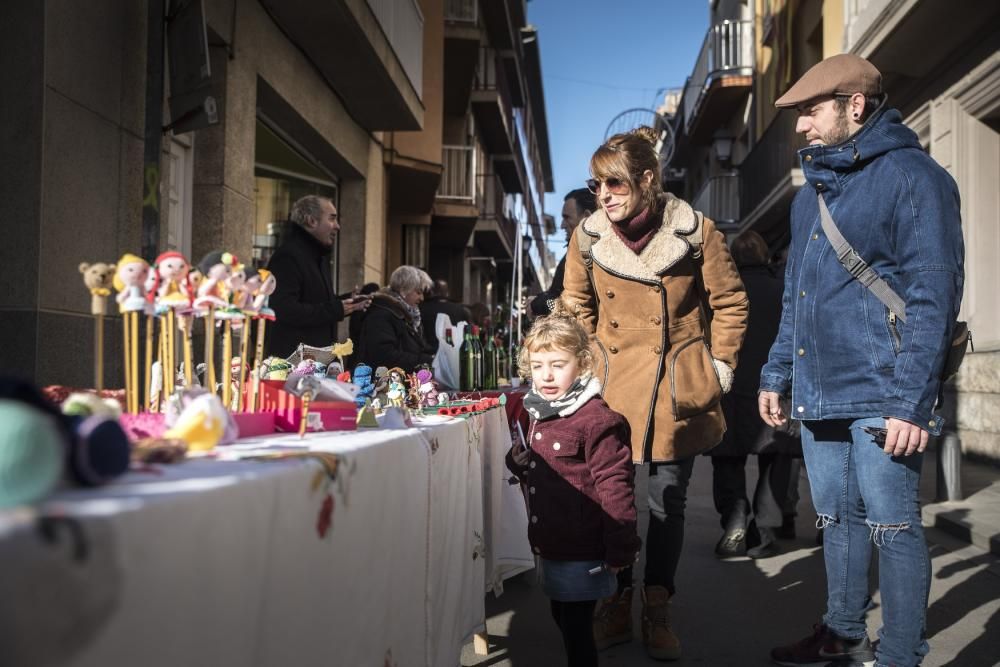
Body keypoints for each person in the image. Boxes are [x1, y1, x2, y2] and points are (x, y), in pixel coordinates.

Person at [759, 54, 964, 667]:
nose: (800, 126)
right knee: (836, 521)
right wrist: (777, 372)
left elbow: (934, 294)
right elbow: (797, 294)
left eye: (810, 110)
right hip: (820, 389)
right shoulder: (809, 197)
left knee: (893, 529)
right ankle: (842, 631)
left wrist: (910, 402)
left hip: (883, 393)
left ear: (855, 105)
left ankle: (901, 653)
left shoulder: (916, 177)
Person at [561, 127, 748, 660]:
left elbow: (730, 303)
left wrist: (717, 369)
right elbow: (576, 304)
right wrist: (591, 363)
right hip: (611, 384)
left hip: (676, 383)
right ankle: (617, 598)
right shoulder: (589, 237)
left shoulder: (695, 232)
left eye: (615, 184)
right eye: (597, 185)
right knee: (608, 500)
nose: (605, 196)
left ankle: (657, 603)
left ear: (647, 180)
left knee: (665, 502)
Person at [505, 306, 640, 667]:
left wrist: (620, 549)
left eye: (558, 365)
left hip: (585, 546)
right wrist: (516, 461)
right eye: (537, 366)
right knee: (561, 614)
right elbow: (533, 466)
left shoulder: (596, 419)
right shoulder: (539, 409)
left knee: (577, 629)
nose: (546, 375)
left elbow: (615, 486)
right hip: (552, 542)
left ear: (580, 364)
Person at [707, 230, 801, 560]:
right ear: (764, 255)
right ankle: (763, 529)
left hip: (730, 389)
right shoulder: (782, 289)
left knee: (728, 459)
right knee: (774, 458)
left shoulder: (720, 291)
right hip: (775, 388)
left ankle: (733, 522)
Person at [265, 195, 370, 358]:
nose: (337, 226)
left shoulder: (318, 257)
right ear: (311, 221)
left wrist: (348, 302)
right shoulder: (288, 257)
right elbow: (284, 309)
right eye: (332, 219)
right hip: (294, 365)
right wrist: (336, 309)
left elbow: (315, 303)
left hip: (315, 362)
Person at [530, 188, 596, 317]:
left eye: (567, 217)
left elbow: (575, 307)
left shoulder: (593, 257)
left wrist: (539, 303)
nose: (562, 225)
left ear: (586, 217)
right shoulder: (575, 255)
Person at [356, 265, 435, 372]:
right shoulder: (382, 314)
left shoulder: (406, 314)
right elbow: (385, 356)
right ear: (404, 289)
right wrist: (425, 361)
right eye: (418, 292)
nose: (422, 298)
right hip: (384, 384)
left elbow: (417, 347)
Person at [419, 278, 472, 351]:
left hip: (429, 353)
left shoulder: (422, 308)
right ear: (447, 293)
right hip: (455, 352)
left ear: (431, 292)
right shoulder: (461, 309)